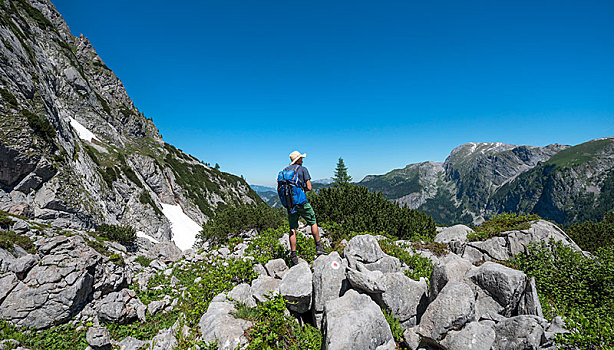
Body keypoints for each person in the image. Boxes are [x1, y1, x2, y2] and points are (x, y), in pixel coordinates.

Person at [282, 151, 326, 265]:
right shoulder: (303, 169)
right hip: (301, 202)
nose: (303, 160)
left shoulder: (285, 171)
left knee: (292, 228)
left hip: (290, 204)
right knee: (313, 221)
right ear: (298, 160)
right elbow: (309, 187)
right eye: (301, 158)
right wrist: (302, 191)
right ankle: (318, 247)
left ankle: (294, 255)